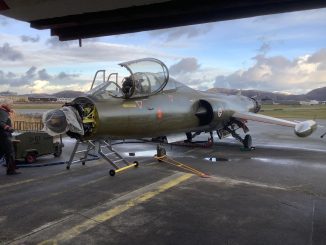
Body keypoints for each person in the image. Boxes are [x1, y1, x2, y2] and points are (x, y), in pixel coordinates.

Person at [0, 103, 20, 175]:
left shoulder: (2, 111)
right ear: (7, 105)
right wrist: (9, 128)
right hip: (4, 136)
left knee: (3, 152)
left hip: (2, 136)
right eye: (11, 105)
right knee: (10, 152)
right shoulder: (3, 112)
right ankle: (11, 170)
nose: (12, 107)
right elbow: (1, 123)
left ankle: (11, 168)